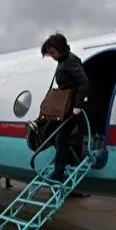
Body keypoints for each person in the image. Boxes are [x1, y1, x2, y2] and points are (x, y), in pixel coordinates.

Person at [36, 32, 89, 183]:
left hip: (70, 108)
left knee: (61, 139)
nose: (51, 56)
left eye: (52, 52)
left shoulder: (71, 61)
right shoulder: (62, 61)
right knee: (47, 132)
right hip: (62, 105)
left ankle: (58, 173)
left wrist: (77, 105)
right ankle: (68, 157)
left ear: (59, 48)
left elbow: (83, 81)